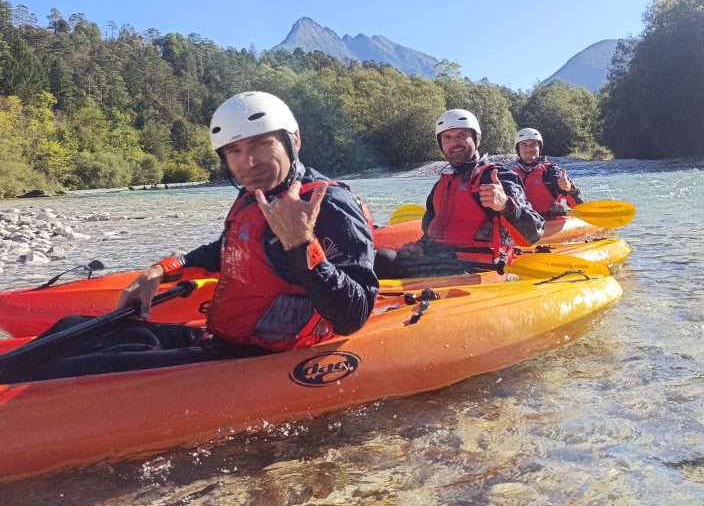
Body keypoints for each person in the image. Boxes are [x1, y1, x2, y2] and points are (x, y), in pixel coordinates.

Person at [16, 91, 379, 382]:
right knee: (73, 328)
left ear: (293, 140)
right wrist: (162, 270)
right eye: (234, 151)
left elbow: (354, 313)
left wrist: (302, 245)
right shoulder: (256, 193)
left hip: (267, 355)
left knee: (47, 373)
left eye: (260, 144)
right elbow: (228, 250)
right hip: (224, 339)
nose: (246, 163)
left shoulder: (329, 204)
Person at [375, 109, 544, 278]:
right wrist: (420, 246)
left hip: (480, 268)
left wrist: (506, 206)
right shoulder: (441, 184)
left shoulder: (498, 177)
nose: (454, 143)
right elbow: (430, 233)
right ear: (441, 144)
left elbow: (533, 236)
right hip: (440, 261)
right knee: (383, 257)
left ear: (476, 139)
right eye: (447, 138)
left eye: (462, 135)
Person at [509, 128, 585, 219]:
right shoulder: (510, 175)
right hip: (524, 226)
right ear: (518, 149)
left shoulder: (552, 172)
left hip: (551, 224)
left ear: (539, 147)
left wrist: (570, 189)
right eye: (524, 145)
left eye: (533, 144)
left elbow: (581, 207)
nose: (529, 149)